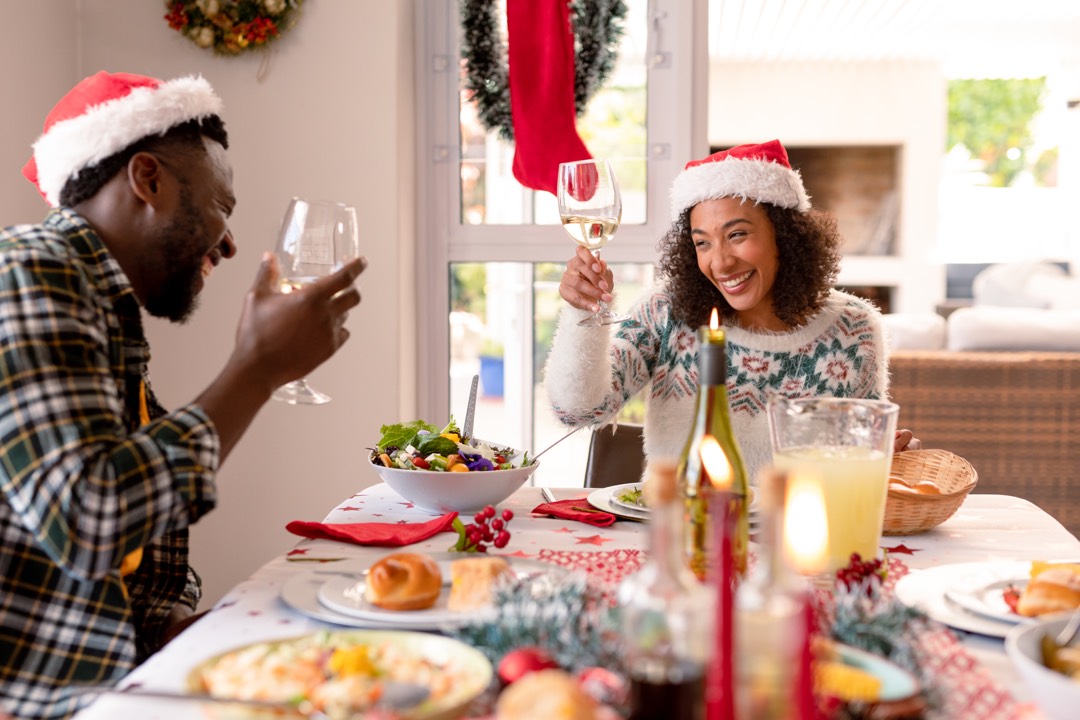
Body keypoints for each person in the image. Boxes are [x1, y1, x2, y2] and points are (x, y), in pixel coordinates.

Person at [0, 71, 365, 719]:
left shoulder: (99, 305)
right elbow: (91, 522)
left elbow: (90, 580)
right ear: (148, 179)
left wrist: (197, 633)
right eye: (222, 206)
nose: (227, 242)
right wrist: (255, 370)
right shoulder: (30, 269)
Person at [545, 140, 918, 481]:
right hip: (678, 530)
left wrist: (890, 459)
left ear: (784, 234)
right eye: (702, 243)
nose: (720, 263)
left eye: (737, 234)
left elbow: (861, 464)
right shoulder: (666, 311)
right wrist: (582, 314)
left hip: (796, 539)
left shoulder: (853, 328)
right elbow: (578, 411)